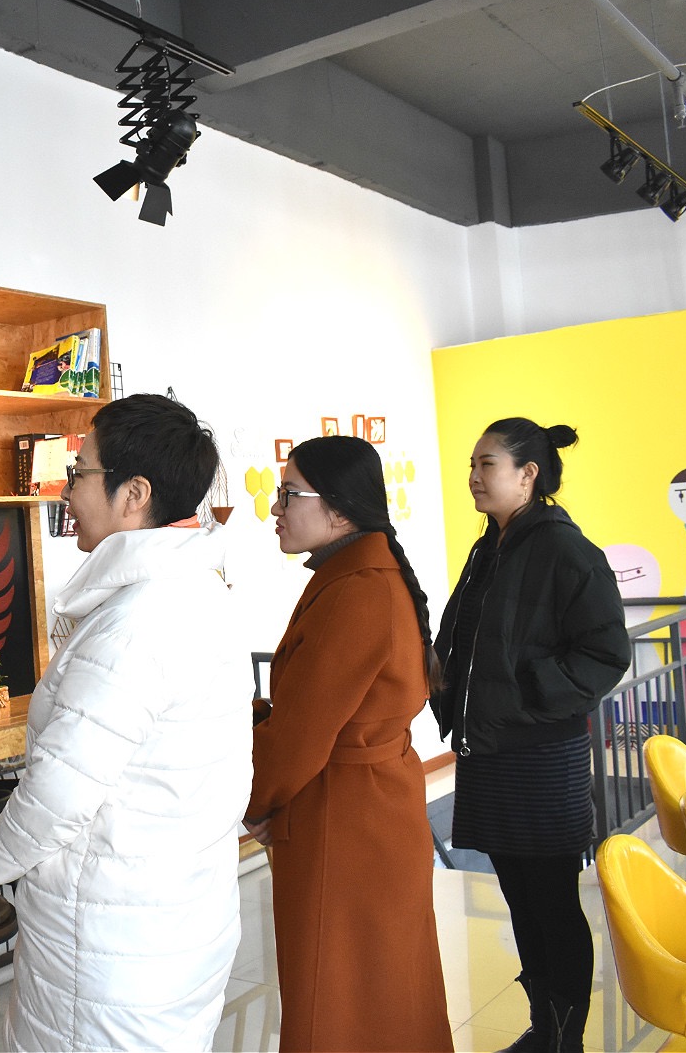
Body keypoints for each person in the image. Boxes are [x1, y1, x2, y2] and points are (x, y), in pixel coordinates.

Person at [0, 394, 252, 1052]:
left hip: (110, 941)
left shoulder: (135, 623)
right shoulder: (196, 591)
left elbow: (59, 793)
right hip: (173, 921)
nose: (66, 490)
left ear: (134, 494)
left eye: (79, 473)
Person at [243, 436, 453, 1052]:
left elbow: (300, 738)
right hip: (366, 808)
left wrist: (253, 800)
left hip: (344, 818)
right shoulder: (360, 575)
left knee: (336, 1001)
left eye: (289, 494)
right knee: (381, 991)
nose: (275, 508)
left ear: (337, 509)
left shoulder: (357, 589)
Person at [432, 418, 630, 1053]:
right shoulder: (490, 547)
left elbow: (606, 654)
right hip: (491, 752)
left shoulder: (566, 551)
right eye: (472, 464)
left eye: (486, 464)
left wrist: (527, 691)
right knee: (520, 899)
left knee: (552, 903)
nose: (473, 476)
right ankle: (544, 1029)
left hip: (541, 759)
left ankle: (566, 1039)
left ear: (528, 475)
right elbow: (467, 636)